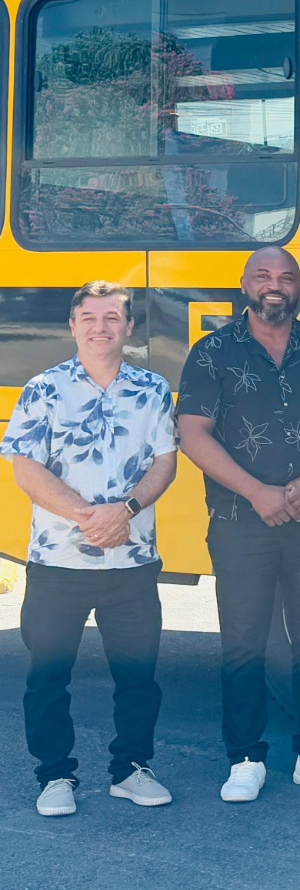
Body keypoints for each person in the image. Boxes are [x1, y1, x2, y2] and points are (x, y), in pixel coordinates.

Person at [178, 248, 300, 803]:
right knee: (243, 641)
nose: (274, 285)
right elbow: (193, 434)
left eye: (285, 277)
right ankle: (244, 758)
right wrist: (257, 492)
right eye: (263, 276)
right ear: (244, 285)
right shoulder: (212, 352)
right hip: (240, 520)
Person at [1, 282, 179, 817]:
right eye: (90, 318)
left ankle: (132, 769)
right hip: (58, 562)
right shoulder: (42, 389)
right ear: (73, 326)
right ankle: (55, 776)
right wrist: (89, 517)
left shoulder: (153, 389)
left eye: (112, 318)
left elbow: (165, 463)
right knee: (48, 675)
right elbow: (25, 469)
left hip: (133, 561)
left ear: (129, 328)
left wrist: (122, 511)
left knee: (138, 675)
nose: (101, 327)